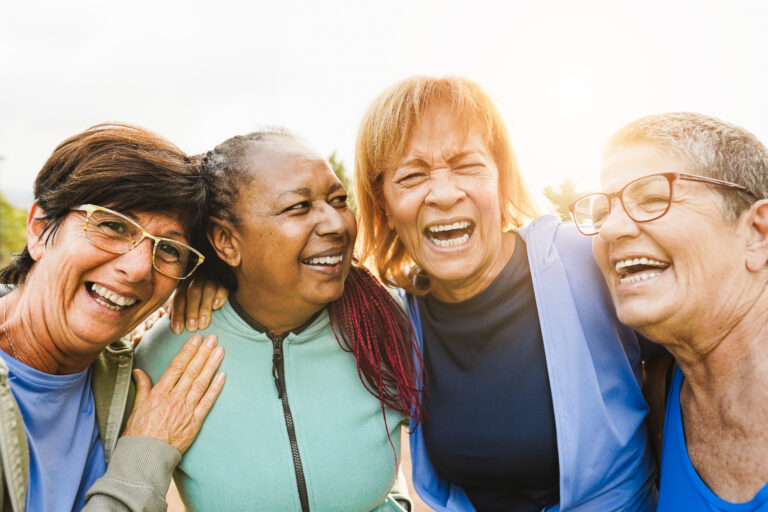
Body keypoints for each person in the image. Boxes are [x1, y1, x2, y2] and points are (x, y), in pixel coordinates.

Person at [353, 76, 657, 511]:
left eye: (466, 165)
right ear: (382, 201)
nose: (443, 193)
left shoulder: (588, 255)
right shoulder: (394, 319)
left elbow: (693, 350)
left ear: (501, 178)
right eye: (412, 176)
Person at [134, 130, 422, 511]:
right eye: (298, 207)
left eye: (339, 200)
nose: (336, 224)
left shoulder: (384, 323)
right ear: (226, 241)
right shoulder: (161, 359)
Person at [0, 124, 225, 512]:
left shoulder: (134, 380)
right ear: (39, 229)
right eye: (112, 225)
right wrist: (144, 458)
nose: (139, 269)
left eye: (169, 250)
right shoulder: (147, 424)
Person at [571, 112, 768, 511]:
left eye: (653, 199)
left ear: (756, 234)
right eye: (603, 211)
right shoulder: (654, 398)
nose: (610, 230)